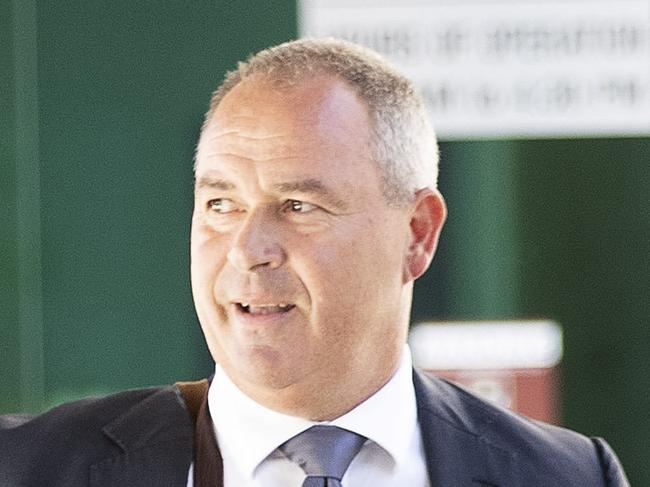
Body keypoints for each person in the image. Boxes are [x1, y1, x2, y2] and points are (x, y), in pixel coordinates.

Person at [0, 38, 629, 487]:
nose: (248, 249)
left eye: (298, 206)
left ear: (417, 233)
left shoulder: (567, 475)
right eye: (221, 204)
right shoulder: (28, 467)